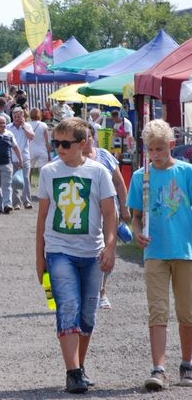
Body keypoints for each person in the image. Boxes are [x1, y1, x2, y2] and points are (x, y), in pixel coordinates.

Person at [36, 117, 117, 394]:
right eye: (55, 143)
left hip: (92, 252)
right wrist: (39, 257)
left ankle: (79, 367)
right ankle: (72, 372)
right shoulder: (48, 172)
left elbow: (109, 214)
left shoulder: (98, 172)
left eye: (65, 143)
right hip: (59, 250)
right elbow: (43, 216)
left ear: (82, 144)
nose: (59, 148)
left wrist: (110, 246)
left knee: (87, 315)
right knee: (67, 306)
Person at [126, 119, 192, 390]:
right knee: (157, 311)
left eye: (161, 149)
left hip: (185, 252)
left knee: (187, 313)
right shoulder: (141, 177)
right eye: (151, 150)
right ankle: (158, 369)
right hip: (155, 252)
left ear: (172, 145)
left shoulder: (187, 172)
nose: (156, 154)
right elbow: (136, 217)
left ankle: (187, 364)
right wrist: (137, 232)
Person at [83, 124, 131, 310]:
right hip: (84, 214)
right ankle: (88, 290)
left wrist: (125, 209)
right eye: (81, 137)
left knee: (107, 250)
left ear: (93, 137)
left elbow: (119, 183)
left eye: (87, 137)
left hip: (109, 212)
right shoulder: (73, 158)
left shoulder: (104, 156)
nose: (85, 141)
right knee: (87, 252)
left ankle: (102, 291)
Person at [8, 107, 35, 210]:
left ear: (22, 117)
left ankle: (27, 201)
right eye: (15, 117)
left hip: (25, 157)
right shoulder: (8, 127)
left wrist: (24, 127)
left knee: (25, 179)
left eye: (18, 117)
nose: (16, 119)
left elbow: (31, 137)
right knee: (13, 181)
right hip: (12, 157)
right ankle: (16, 203)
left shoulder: (27, 126)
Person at [28, 107, 51, 184]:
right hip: (42, 149)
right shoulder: (43, 125)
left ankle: (28, 184)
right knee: (43, 169)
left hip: (30, 149)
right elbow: (47, 140)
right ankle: (43, 185)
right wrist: (49, 152)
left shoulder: (27, 125)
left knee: (29, 169)